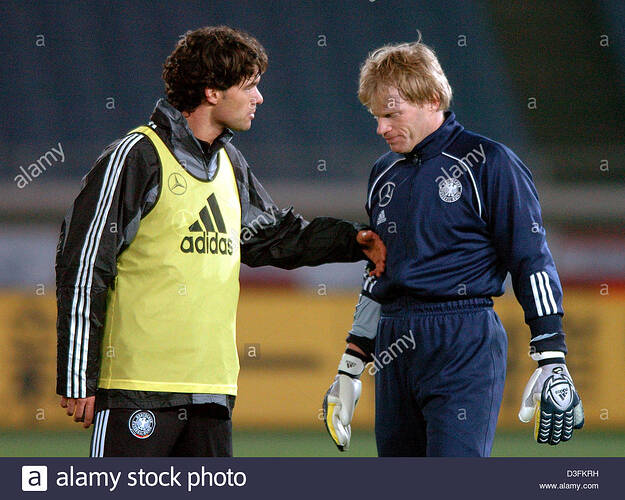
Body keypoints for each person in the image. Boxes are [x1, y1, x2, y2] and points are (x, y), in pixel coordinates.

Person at [56, 25, 385, 457]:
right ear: (212, 91)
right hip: (137, 390)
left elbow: (272, 237)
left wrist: (353, 240)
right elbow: (83, 263)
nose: (259, 98)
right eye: (249, 85)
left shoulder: (230, 162)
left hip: (211, 391)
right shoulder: (137, 155)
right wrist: (79, 374)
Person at [322, 38, 584, 457]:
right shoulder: (381, 173)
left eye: (391, 114)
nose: (381, 128)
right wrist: (351, 364)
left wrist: (551, 355)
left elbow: (531, 260)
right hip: (394, 342)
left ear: (431, 99)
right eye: (376, 117)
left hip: (463, 339)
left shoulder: (490, 162)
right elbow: (378, 272)